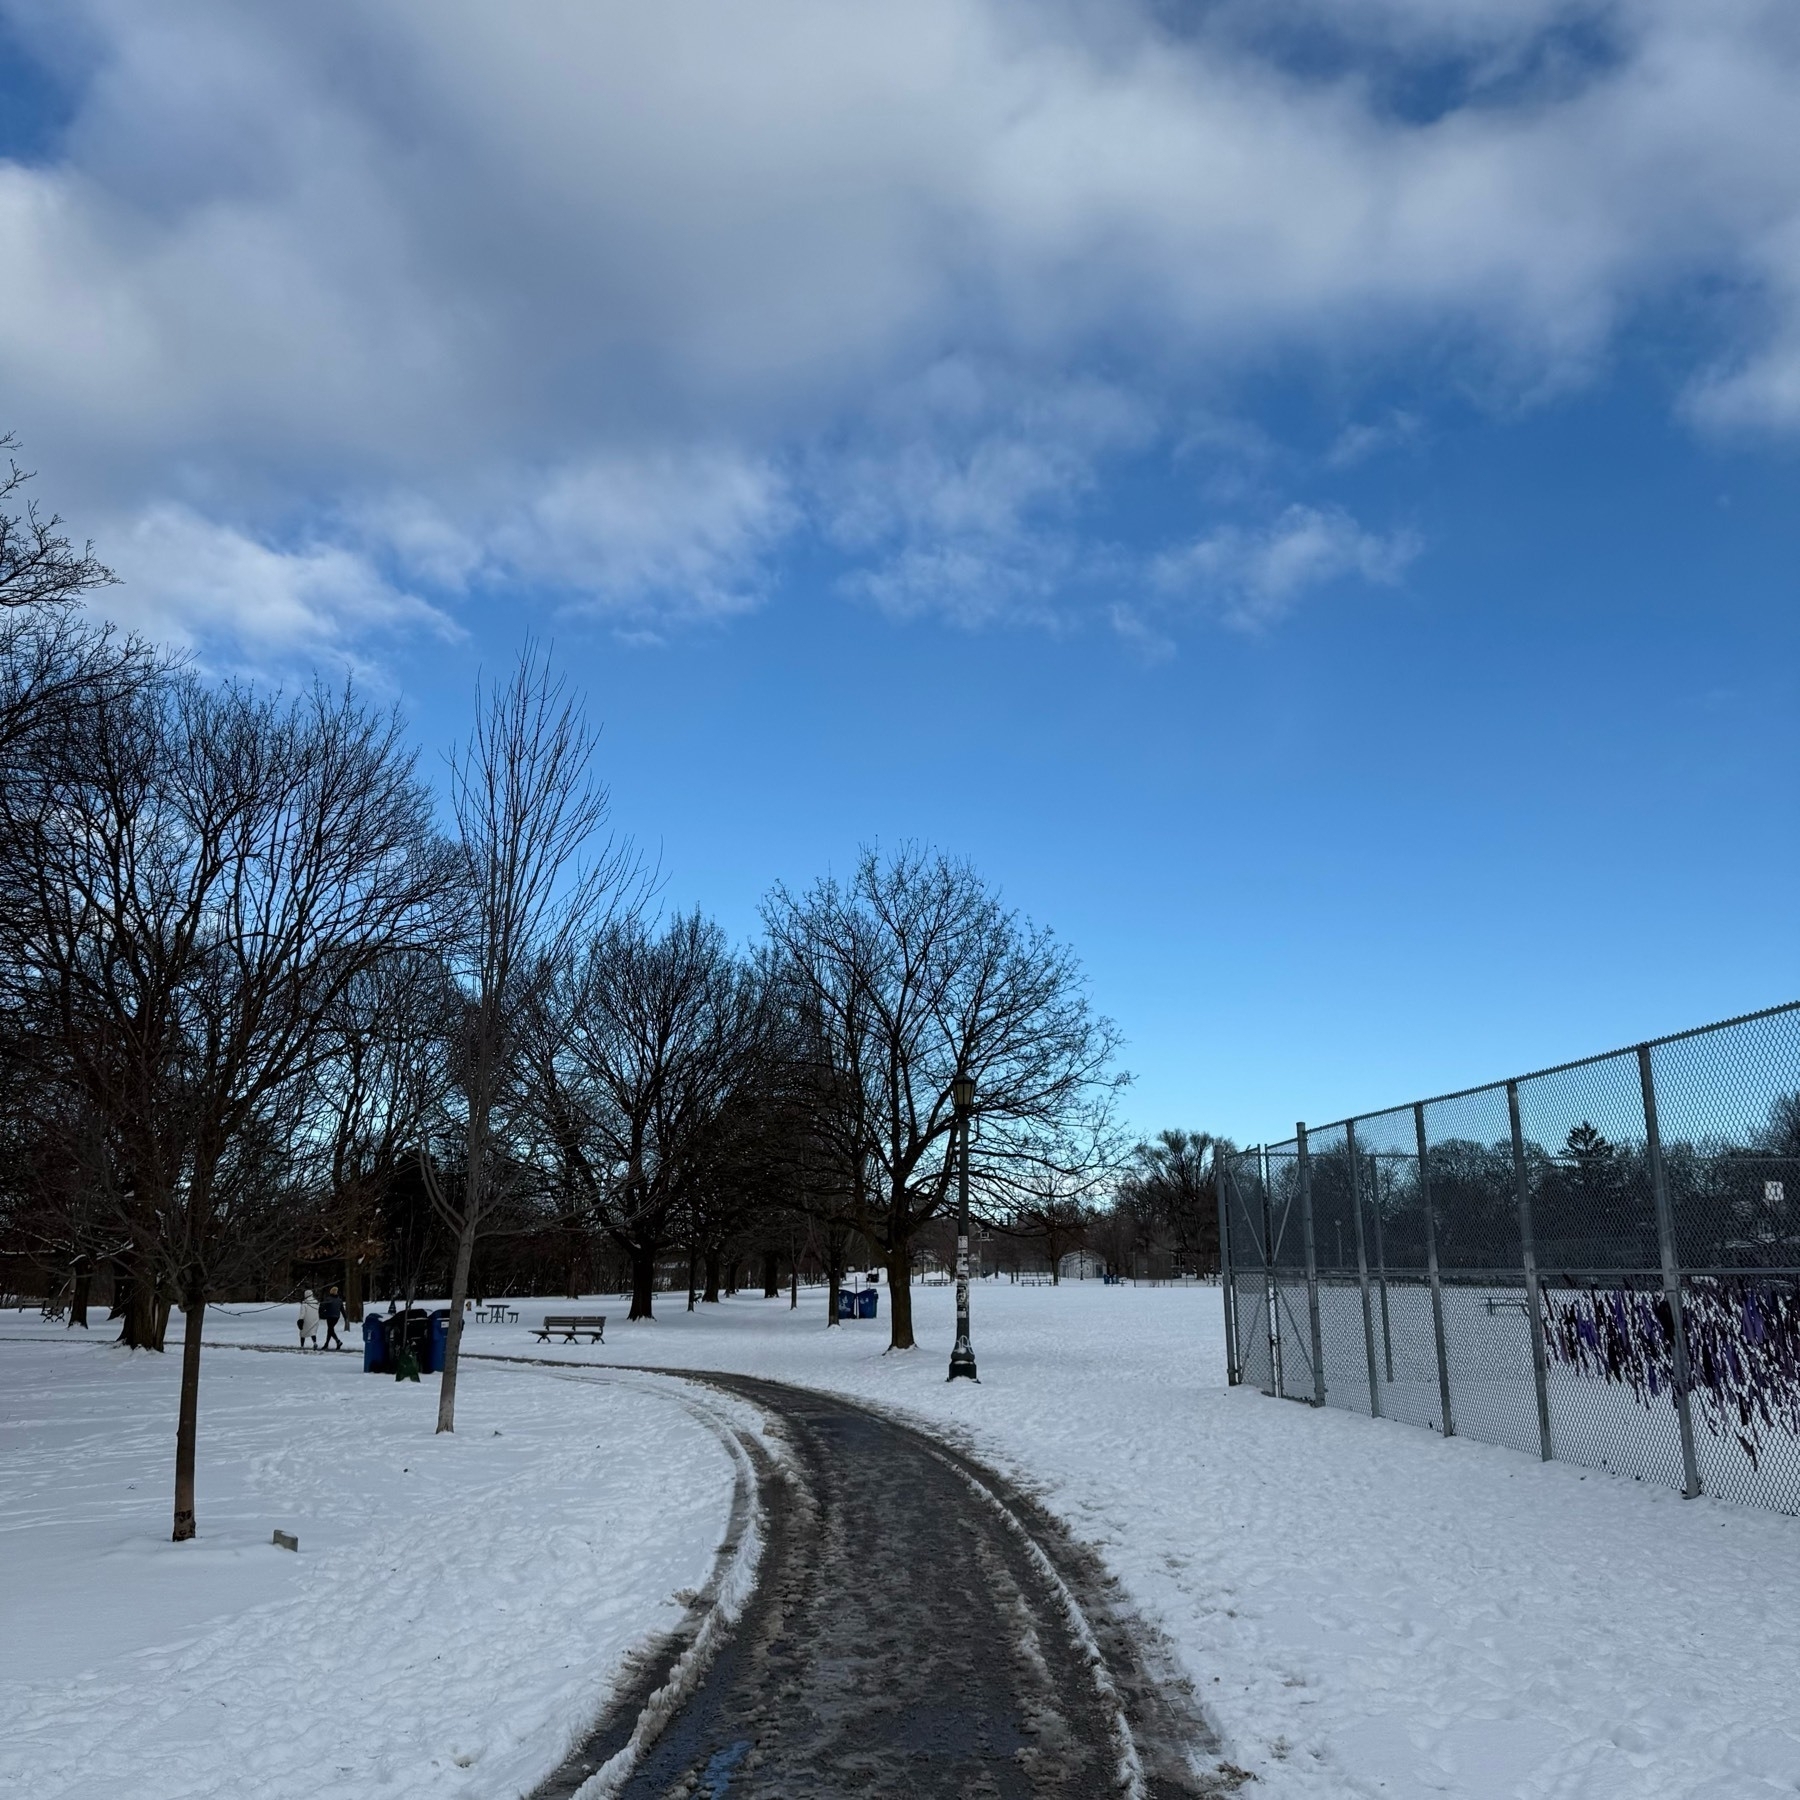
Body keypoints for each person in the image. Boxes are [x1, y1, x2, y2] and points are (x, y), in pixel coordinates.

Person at [320, 1285, 346, 1351]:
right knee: (330, 1330)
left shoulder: (328, 1299)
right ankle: (327, 1344)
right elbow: (342, 1309)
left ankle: (338, 1341)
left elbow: (323, 1307)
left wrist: (321, 1313)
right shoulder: (339, 1300)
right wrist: (345, 1317)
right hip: (336, 1317)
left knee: (330, 1330)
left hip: (329, 1316)